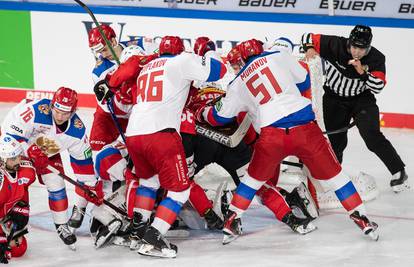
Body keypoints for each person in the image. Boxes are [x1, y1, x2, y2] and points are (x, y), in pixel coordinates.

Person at [195, 39, 379, 244]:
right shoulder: (278, 55)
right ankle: (361, 218)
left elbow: (219, 117)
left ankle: (232, 221)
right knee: (336, 177)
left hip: (271, 135)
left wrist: (202, 113)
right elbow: (304, 81)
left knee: (253, 180)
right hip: (305, 128)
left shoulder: (237, 82)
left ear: (243, 58)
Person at [125, 35, 226, 258]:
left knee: (149, 182)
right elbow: (219, 70)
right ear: (180, 51)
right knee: (180, 190)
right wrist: (208, 51)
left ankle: (137, 231)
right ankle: (153, 237)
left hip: (133, 133)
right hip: (161, 133)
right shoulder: (181, 61)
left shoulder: (148, 66)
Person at [301, 25, 408, 193]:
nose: (357, 52)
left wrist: (362, 72)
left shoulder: (376, 58)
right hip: (334, 100)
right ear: (349, 43)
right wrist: (309, 48)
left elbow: (378, 86)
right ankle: (334, 179)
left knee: (372, 136)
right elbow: (307, 36)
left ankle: (398, 170)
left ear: (369, 47)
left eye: (362, 49)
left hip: (362, 101)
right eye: (355, 47)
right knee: (335, 142)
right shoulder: (335, 44)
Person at [0, 87, 103, 249]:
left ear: (73, 111)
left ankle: (61, 226)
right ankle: (9, 210)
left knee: (56, 182)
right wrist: (28, 150)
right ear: (52, 105)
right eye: (57, 111)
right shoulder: (35, 110)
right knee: (23, 175)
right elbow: (10, 134)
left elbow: (83, 166)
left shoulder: (77, 131)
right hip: (13, 143)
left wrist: (90, 187)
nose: (60, 116)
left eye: (65, 113)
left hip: (44, 146)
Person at [0, 135, 36, 264]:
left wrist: (22, 209)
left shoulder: (26, 171)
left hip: (5, 214)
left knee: (19, 247)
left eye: (18, 156)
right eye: (13, 158)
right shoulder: (1, 183)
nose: (17, 161)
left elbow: (23, 190)